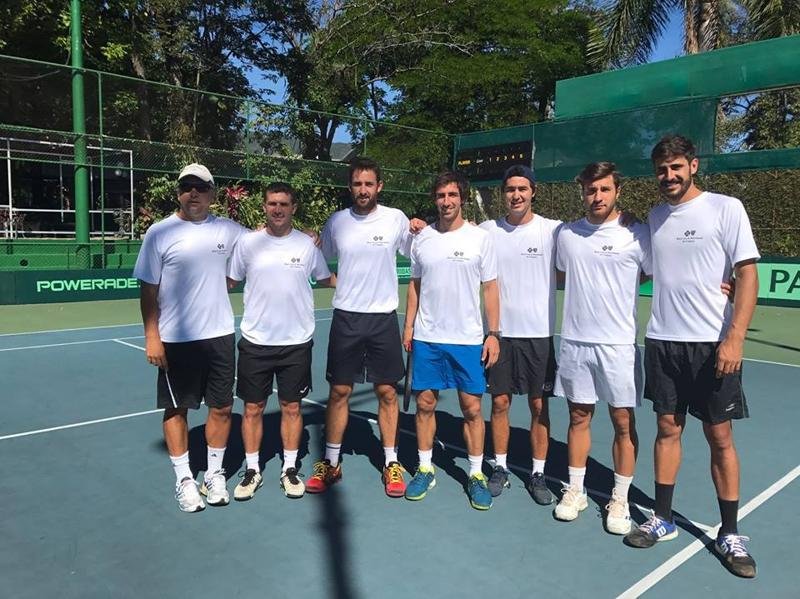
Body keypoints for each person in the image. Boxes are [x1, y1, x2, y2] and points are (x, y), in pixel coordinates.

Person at [625, 135, 760, 579]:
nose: (669, 176)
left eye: (676, 167)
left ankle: (731, 532)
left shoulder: (727, 208)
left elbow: (746, 273)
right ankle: (662, 518)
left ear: (694, 165)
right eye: (662, 169)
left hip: (712, 344)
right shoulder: (655, 216)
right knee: (667, 428)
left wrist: (735, 337)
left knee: (719, 437)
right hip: (664, 340)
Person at [133, 163, 247, 512]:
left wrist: (305, 236)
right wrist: (152, 336)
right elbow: (148, 289)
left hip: (219, 335)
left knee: (222, 407)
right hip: (175, 339)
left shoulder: (229, 230)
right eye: (187, 187)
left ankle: (214, 473)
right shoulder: (159, 233)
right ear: (179, 193)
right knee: (176, 407)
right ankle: (184, 479)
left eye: (200, 187)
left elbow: (268, 237)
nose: (193, 193)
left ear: (212, 193)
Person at [306, 157, 416, 498]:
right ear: (350, 187)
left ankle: (391, 463)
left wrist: (425, 228)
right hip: (347, 319)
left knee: (386, 392)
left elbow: (420, 254)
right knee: (340, 392)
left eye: (369, 183)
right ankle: (331, 462)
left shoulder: (396, 219)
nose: (363, 189)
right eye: (357, 184)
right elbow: (318, 260)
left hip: (383, 319)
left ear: (379, 186)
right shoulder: (337, 222)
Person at [552, 162, 651, 534]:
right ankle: (575, 491)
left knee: (623, 422)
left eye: (604, 190)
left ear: (617, 192)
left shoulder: (637, 234)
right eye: (591, 190)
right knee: (578, 417)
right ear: (583, 193)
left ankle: (620, 498)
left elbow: (668, 270)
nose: (597, 197)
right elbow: (560, 271)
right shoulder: (567, 235)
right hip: (576, 343)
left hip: (618, 346)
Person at [227, 182, 334, 501]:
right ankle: (252, 470)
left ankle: (289, 468)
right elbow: (229, 280)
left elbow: (327, 278)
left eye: (284, 204)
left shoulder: (306, 245)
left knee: (291, 407)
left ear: (293, 208)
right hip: (255, 341)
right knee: (252, 409)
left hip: (296, 342)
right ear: (264, 206)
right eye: (272, 203)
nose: (277, 209)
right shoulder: (247, 244)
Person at [403, 171, 501, 510]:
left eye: (452, 195)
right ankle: (426, 468)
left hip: (468, 339)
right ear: (435, 199)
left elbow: (490, 287)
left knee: (472, 409)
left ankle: (475, 474)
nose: (446, 201)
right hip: (428, 337)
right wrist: (408, 326)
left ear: (462, 197)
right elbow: (414, 286)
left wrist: (493, 333)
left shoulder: (480, 238)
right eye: (441, 195)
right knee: (425, 404)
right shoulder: (422, 238)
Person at [478, 165, 560, 506]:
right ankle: (500, 467)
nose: (516, 195)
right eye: (510, 189)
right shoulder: (486, 231)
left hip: (539, 335)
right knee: (499, 403)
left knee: (539, 406)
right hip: (499, 336)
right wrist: (419, 226)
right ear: (503, 193)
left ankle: (538, 472)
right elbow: (450, 233)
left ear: (533, 192)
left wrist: (624, 219)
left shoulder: (554, 231)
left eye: (522, 189)